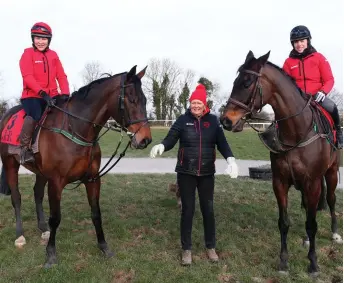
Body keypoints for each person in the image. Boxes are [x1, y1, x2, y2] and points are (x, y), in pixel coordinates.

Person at [150, 84, 239, 265]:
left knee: (208, 210)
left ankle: (210, 246)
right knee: (187, 211)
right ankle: (187, 250)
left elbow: (222, 143)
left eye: (199, 103)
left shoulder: (213, 121)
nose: (195, 106)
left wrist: (231, 159)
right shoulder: (182, 120)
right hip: (186, 172)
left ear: (204, 104)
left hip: (207, 173)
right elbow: (171, 138)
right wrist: (162, 145)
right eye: (193, 103)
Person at [282, 25, 342, 149]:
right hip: (297, 99)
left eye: (302, 41)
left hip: (317, 96)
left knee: (332, 107)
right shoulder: (288, 62)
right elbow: (285, 83)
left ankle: (339, 135)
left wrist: (323, 92)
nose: (299, 44)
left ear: (308, 41)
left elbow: (329, 79)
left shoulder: (319, 57)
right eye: (296, 42)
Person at [19, 22, 70, 164]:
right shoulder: (27, 54)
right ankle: (24, 149)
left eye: (44, 38)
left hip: (53, 95)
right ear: (32, 39)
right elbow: (27, 77)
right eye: (37, 38)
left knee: (65, 114)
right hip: (33, 96)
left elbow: (61, 76)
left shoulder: (53, 55)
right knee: (35, 115)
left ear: (49, 40)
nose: (40, 42)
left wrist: (65, 94)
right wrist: (42, 94)